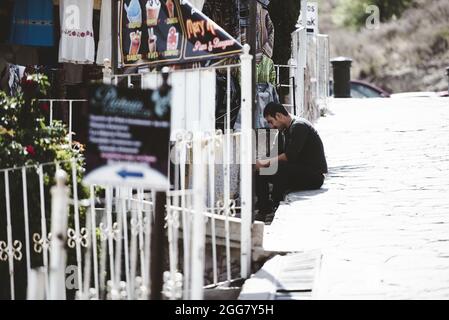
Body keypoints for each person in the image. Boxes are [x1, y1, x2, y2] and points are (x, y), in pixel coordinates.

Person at [255, 102, 328, 221]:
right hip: (298, 171)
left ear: (278, 116)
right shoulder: (284, 129)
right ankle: (264, 209)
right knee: (261, 170)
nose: (271, 126)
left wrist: (266, 162)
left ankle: (275, 203)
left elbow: (289, 156)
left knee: (280, 167)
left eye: (270, 121)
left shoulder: (299, 126)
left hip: (314, 176)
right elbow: (276, 152)